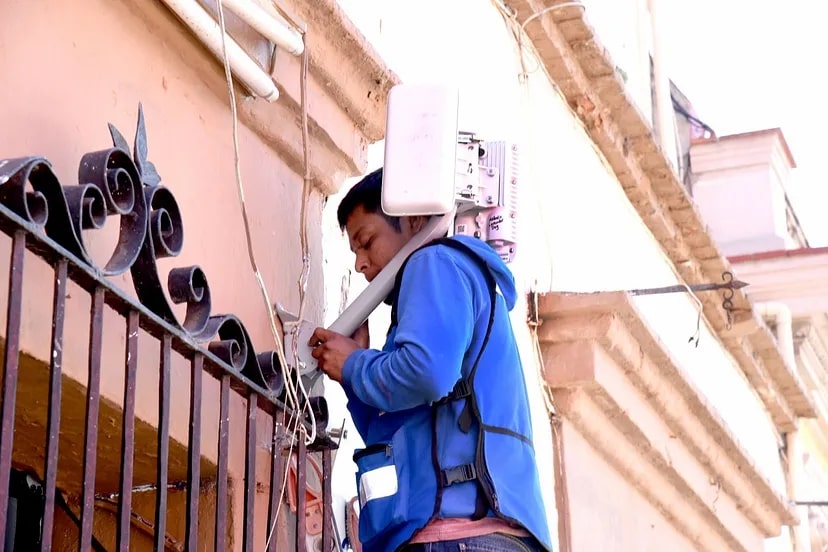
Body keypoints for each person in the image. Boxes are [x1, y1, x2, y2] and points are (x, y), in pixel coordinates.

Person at [309, 168, 552, 552]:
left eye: (367, 242)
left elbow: (427, 375)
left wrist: (357, 364)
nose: (361, 263)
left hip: (462, 535)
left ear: (413, 222)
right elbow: (394, 429)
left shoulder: (433, 262)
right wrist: (354, 375)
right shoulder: (430, 302)